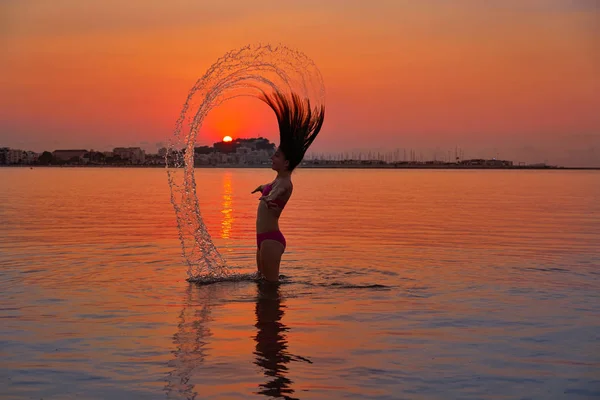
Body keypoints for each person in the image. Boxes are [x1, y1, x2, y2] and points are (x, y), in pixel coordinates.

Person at [252, 90, 325, 282]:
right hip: (263, 240)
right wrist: (262, 188)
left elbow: (279, 191)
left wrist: (269, 197)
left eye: (276, 155)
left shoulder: (285, 183)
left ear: (286, 163)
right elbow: (271, 186)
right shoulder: (276, 180)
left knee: (270, 287)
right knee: (261, 285)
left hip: (271, 240)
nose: (272, 157)